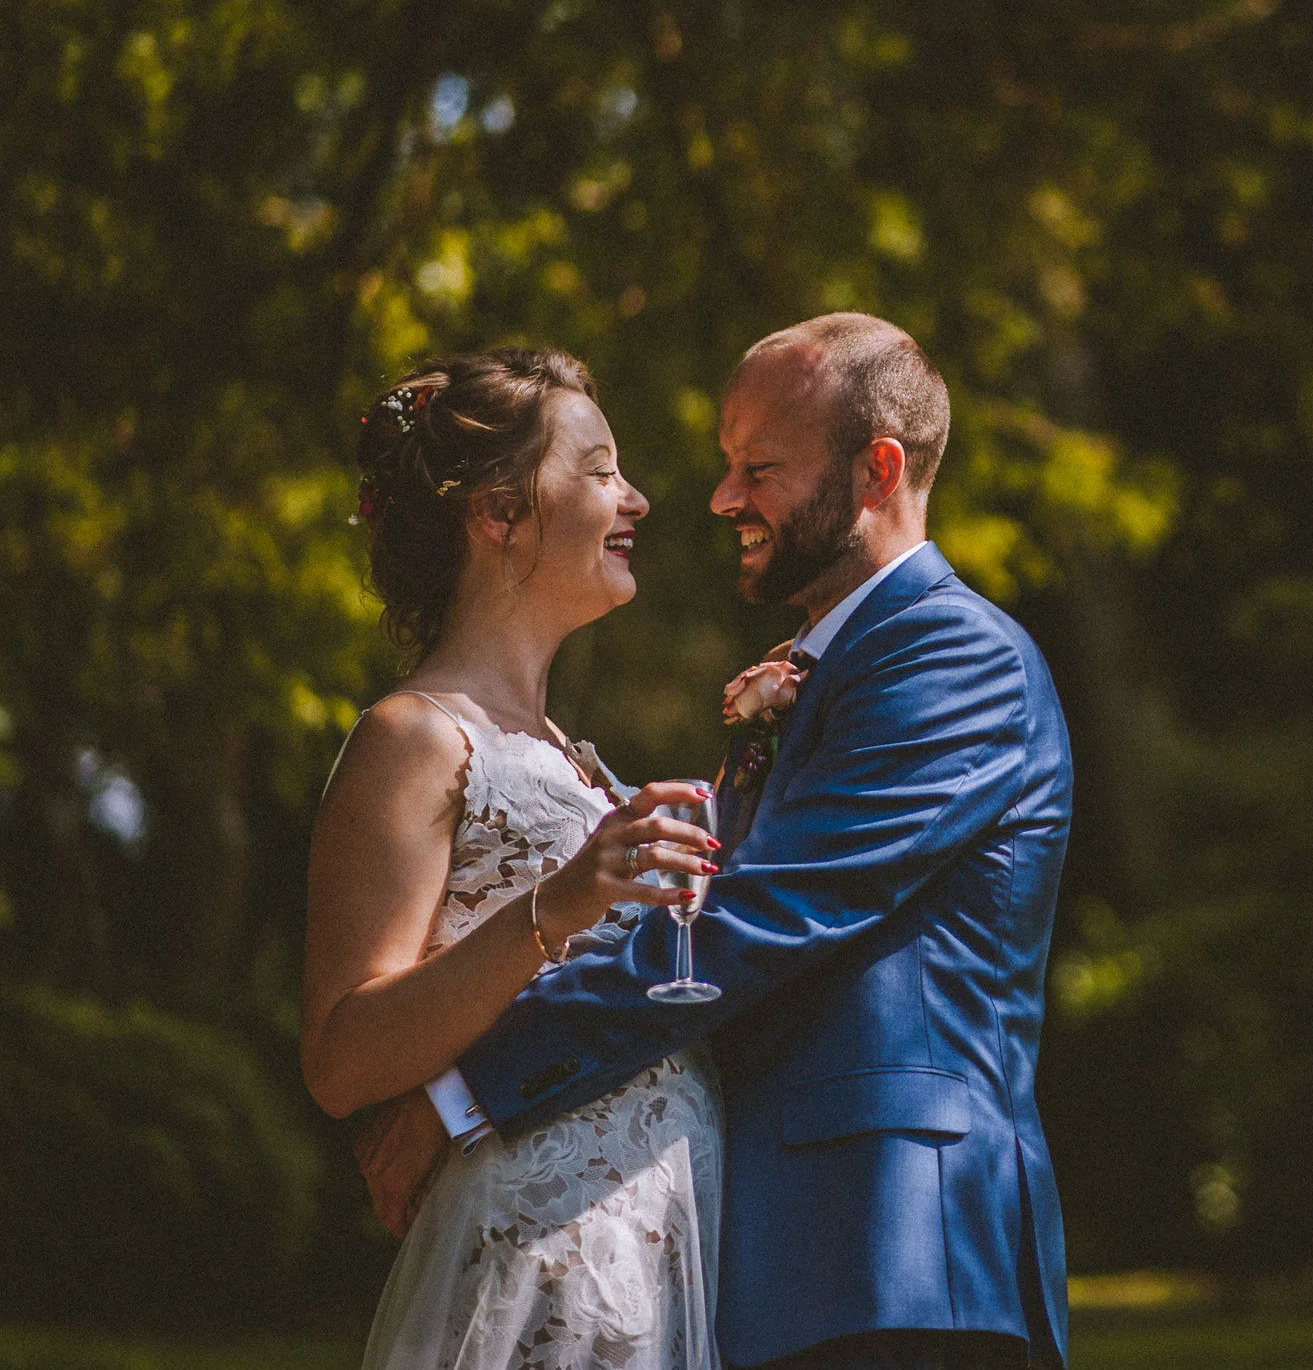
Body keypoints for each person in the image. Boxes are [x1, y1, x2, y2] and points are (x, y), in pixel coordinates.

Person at [354, 314, 1074, 1370]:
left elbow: (754, 921)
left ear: (877, 471)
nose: (722, 498)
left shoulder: (954, 657)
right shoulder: (826, 672)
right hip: (772, 1256)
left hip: (899, 1252)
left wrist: (464, 1095)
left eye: (759, 467)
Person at [301, 347, 726, 1370]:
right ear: (499, 515)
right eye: (598, 470)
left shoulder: (575, 761)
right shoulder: (413, 738)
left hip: (656, 1264)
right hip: (536, 1271)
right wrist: (556, 903)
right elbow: (341, 1055)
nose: (638, 498)